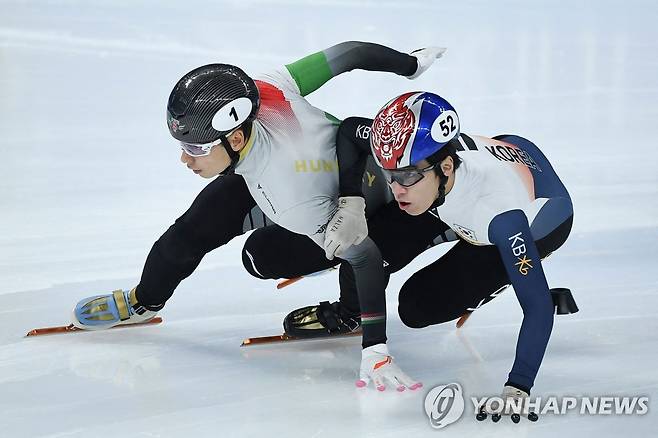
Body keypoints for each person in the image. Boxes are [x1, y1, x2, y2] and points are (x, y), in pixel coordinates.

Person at [71, 42, 447, 391]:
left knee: (266, 256)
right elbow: (347, 54)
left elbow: (364, 258)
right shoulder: (265, 89)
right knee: (196, 228)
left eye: (194, 148)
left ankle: (347, 309)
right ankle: (144, 300)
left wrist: (374, 349)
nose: (185, 159)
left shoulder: (293, 200)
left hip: (347, 204)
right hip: (296, 173)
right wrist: (409, 64)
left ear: (234, 139)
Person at [288, 91, 573, 398]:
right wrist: (351, 201)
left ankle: (496, 280)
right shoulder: (413, 155)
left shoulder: (502, 218)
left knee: (416, 309)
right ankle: (353, 309)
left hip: (543, 218)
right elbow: (350, 130)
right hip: (473, 171)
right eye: (389, 175)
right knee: (373, 246)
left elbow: (538, 308)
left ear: (446, 167)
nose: (396, 189)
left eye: (407, 176)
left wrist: (518, 386)